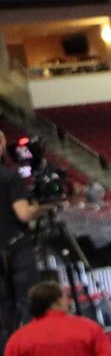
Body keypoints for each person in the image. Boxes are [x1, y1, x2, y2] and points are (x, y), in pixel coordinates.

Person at [1, 131, 52, 328]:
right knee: (29, 303)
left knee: (5, 312)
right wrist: (42, 208)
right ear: (2, 143)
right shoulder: (9, 177)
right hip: (16, 250)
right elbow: (23, 213)